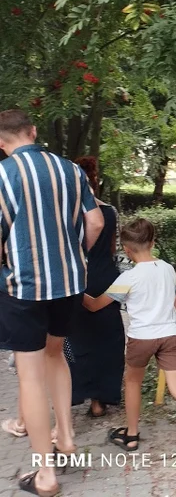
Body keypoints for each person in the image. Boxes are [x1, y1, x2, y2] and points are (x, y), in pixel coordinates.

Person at [0, 109, 104, 497]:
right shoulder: (70, 171)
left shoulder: (3, 177)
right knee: (56, 356)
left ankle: (45, 474)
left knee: (29, 375)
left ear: (1, 142)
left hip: (23, 287)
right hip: (69, 283)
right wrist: (77, 260)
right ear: (34, 131)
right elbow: (94, 223)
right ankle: (68, 437)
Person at [83, 218, 176, 467]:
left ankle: (131, 436)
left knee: (132, 381)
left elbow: (94, 306)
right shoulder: (167, 269)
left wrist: (76, 289)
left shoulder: (128, 278)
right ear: (153, 242)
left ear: (126, 249)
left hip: (141, 338)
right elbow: (175, 304)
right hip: (170, 335)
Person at [66, 156, 124, 418]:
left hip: (76, 280)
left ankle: (78, 392)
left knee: (77, 339)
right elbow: (113, 251)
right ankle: (101, 400)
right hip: (107, 279)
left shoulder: (66, 214)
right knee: (108, 339)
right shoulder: (109, 211)